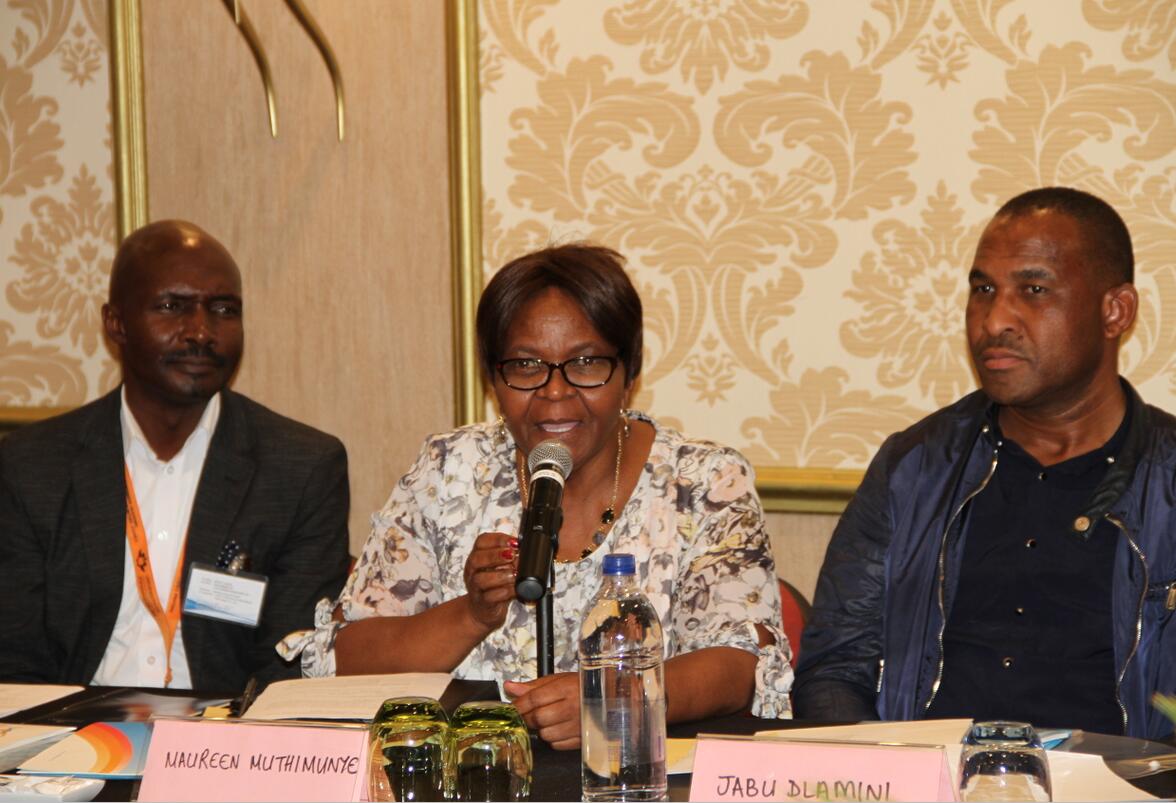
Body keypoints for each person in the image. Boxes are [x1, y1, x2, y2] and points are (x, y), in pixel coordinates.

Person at [283, 243, 792, 748]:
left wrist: (613, 698)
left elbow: (738, 664)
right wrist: (472, 614)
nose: (554, 392)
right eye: (526, 366)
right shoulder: (449, 469)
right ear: (493, 379)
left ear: (629, 372)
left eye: (585, 362)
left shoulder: (704, 483)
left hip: (635, 779)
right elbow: (348, 657)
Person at [794, 187, 1175, 739]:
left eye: (1034, 290)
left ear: (1115, 311)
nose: (995, 320)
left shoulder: (1167, 480)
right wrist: (885, 770)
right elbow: (835, 664)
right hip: (928, 775)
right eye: (984, 290)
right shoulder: (915, 467)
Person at [0, 219, 350, 693]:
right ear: (115, 323)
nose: (201, 332)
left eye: (223, 310)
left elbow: (292, 660)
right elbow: (16, 660)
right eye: (172, 307)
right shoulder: (32, 466)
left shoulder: (301, 468)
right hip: (70, 730)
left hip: (230, 730)